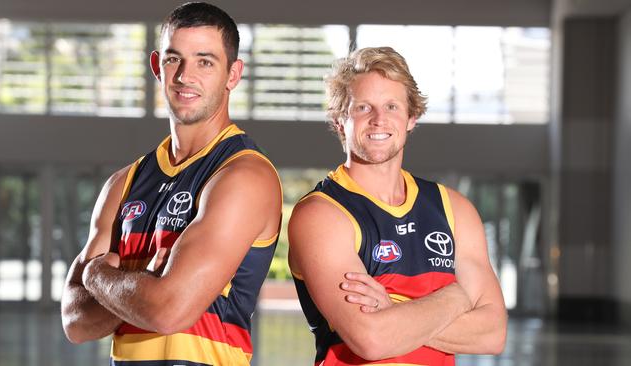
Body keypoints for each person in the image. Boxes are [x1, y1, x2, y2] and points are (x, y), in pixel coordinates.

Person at [60, 3, 282, 365]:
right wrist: (144, 284)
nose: (184, 76)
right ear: (156, 67)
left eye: (205, 62)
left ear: (233, 73)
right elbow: (76, 321)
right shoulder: (123, 183)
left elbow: (169, 311)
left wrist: (100, 275)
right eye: (173, 59)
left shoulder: (243, 175)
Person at [288, 47, 507, 365]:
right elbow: (371, 339)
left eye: (392, 106)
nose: (379, 119)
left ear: (411, 118)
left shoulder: (453, 209)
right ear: (340, 121)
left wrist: (393, 311)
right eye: (363, 107)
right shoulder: (322, 214)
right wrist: (455, 297)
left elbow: (493, 333)